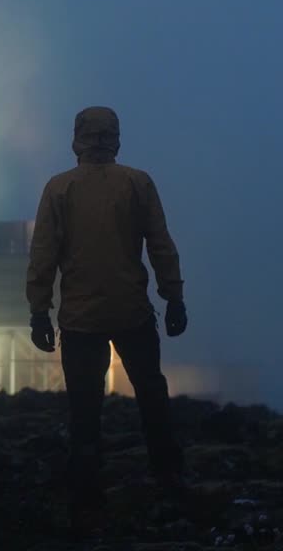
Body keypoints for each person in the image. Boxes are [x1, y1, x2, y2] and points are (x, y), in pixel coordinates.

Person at [26, 105, 189, 534]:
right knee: (152, 395)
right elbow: (160, 245)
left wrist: (38, 310)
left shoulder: (59, 189)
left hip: (79, 319)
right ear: (116, 137)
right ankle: (169, 481)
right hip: (132, 312)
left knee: (84, 409)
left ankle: (86, 500)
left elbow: (43, 254)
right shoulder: (137, 182)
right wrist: (174, 297)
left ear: (76, 137)